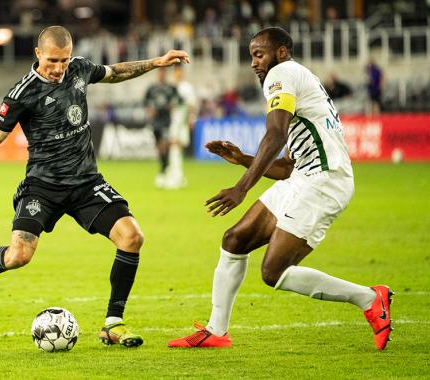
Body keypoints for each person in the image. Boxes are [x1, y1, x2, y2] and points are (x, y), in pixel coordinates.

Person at [0, 25, 190, 348]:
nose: (59, 68)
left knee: (132, 237)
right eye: (53, 61)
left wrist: (156, 62)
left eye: (64, 61)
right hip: (42, 187)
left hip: (86, 183)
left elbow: (114, 73)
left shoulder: (80, 69)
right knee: (19, 255)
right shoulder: (21, 94)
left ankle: (113, 323)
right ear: (38, 54)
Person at [168, 27, 392, 350]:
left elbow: (275, 135)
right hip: (304, 175)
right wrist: (244, 159)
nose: (254, 63)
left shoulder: (282, 73)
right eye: (251, 57)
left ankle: (371, 299)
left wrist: (241, 188)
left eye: (259, 54)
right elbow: (288, 165)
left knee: (274, 271)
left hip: (324, 182)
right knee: (235, 239)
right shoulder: (297, 79)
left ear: (282, 52)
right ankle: (217, 331)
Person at [144, 67, 181, 188]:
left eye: (163, 73)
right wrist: (149, 110)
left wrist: (172, 105)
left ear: (165, 74)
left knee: (165, 145)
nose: (161, 75)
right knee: (159, 146)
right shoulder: (152, 88)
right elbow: (145, 102)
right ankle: (164, 167)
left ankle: (164, 170)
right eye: (159, 73)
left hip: (166, 121)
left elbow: (179, 101)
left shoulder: (170, 88)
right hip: (155, 122)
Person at [164, 64, 198, 189]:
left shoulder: (186, 87)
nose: (177, 74)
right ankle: (175, 175)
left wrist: (191, 120)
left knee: (176, 147)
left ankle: (176, 177)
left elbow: (192, 105)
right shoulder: (172, 87)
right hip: (173, 121)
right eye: (175, 72)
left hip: (181, 122)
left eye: (178, 71)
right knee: (174, 148)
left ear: (181, 72)